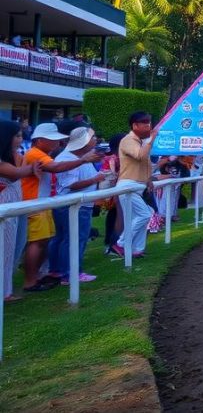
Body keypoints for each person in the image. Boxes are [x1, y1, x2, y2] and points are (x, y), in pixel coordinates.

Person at [21, 123, 100, 292]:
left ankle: (50, 274)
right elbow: (59, 172)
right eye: (53, 140)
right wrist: (85, 163)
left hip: (46, 203)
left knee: (52, 240)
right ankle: (50, 276)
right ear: (40, 140)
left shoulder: (45, 154)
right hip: (38, 203)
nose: (58, 143)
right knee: (44, 242)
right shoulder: (38, 154)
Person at [51, 127, 109, 285]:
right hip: (74, 205)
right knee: (74, 239)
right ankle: (70, 273)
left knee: (65, 239)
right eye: (92, 137)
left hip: (76, 204)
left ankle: (60, 271)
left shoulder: (79, 157)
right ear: (83, 141)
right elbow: (71, 185)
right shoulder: (68, 158)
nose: (95, 140)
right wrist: (96, 179)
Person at [1, 120, 41, 302]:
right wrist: (31, 168)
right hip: (5, 208)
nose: (20, 139)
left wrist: (20, 157)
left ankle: (6, 290)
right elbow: (15, 173)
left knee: (15, 247)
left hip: (16, 206)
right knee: (5, 249)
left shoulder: (12, 155)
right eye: (17, 136)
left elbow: (19, 166)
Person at [113, 112, 158, 258]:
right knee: (145, 215)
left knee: (139, 217)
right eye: (144, 122)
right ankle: (120, 244)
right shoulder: (128, 140)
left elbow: (144, 162)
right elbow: (139, 155)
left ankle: (136, 249)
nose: (148, 125)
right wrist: (151, 140)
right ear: (135, 125)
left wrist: (148, 179)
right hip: (127, 185)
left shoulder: (139, 142)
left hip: (137, 186)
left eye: (149, 122)